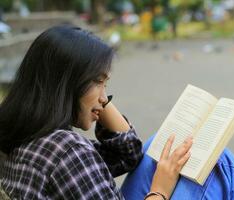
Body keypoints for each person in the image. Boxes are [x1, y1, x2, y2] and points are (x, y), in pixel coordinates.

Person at [0, 25, 193, 199]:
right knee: (220, 163)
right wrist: (160, 190)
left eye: (106, 84)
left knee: (154, 150)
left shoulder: (26, 136)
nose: (105, 98)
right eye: (98, 82)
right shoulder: (67, 151)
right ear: (68, 83)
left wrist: (94, 95)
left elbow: (128, 154)